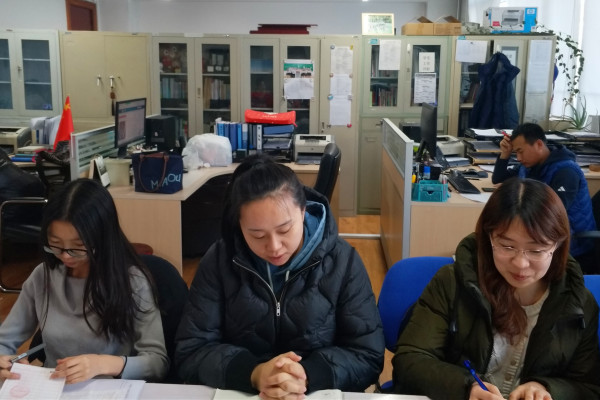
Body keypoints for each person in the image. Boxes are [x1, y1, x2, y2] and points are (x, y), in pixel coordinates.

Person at [175, 154, 384, 398]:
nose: (274, 247)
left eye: (284, 230)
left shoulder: (343, 262)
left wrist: (305, 374)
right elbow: (191, 350)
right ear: (239, 225)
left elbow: (367, 354)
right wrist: (254, 373)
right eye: (257, 235)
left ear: (303, 211)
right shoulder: (220, 260)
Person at [392, 177, 600, 400]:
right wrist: (466, 388)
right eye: (507, 246)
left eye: (536, 250)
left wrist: (545, 388)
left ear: (557, 246)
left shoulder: (577, 302)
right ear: (488, 237)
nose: (520, 263)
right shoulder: (452, 283)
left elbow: (587, 387)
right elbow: (410, 359)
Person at [0, 179, 168, 384]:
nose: (65, 256)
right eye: (55, 244)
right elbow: (4, 340)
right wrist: (4, 362)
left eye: (78, 247)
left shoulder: (132, 282)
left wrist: (103, 364)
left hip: (110, 390)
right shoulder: (43, 276)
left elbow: (157, 362)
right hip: (55, 390)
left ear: (103, 239)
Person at [492, 122, 597, 272]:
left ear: (539, 144)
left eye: (520, 151)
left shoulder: (566, 171)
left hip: (571, 244)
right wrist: (505, 154)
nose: (519, 158)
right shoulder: (529, 166)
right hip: (538, 235)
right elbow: (498, 178)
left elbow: (553, 214)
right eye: (516, 153)